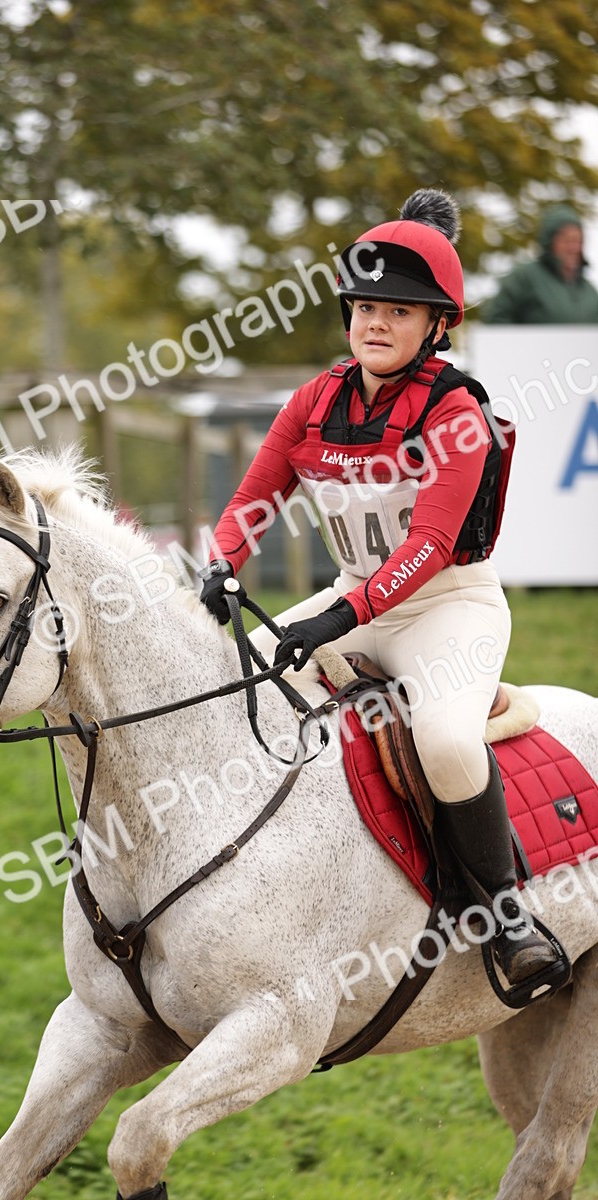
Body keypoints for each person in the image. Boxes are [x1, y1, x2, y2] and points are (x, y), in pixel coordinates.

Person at [199, 188, 561, 992]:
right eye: (364, 305)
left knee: (447, 743)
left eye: (399, 310)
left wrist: (336, 617)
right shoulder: (315, 400)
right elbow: (253, 499)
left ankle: (506, 918)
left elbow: (431, 546)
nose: (374, 323)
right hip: (356, 602)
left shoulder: (456, 408)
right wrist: (221, 561)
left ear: (437, 325)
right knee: (230, 688)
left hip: (446, 608)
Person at [483, 203, 598, 324]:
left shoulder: (590, 292)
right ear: (549, 242)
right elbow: (496, 320)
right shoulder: (524, 278)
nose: (573, 248)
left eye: (577, 241)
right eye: (566, 241)